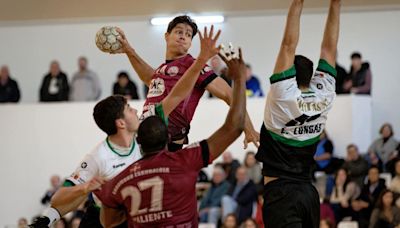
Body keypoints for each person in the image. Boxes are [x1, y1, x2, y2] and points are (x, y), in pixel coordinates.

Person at [29, 25, 222, 228]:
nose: (136, 111)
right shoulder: (98, 157)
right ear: (121, 123)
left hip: (131, 219)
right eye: (129, 109)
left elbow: (178, 93)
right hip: (98, 220)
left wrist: (200, 60)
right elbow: (61, 198)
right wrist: (83, 189)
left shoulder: (148, 136)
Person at [96, 46, 247, 227]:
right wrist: (238, 79)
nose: (135, 109)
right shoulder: (186, 160)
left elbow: (108, 222)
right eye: (129, 109)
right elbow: (234, 127)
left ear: (139, 142)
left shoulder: (122, 178)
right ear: (168, 136)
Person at [114, 15, 259, 151]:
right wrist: (129, 51)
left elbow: (230, 95)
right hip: (144, 137)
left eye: (188, 35)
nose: (183, 36)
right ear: (166, 36)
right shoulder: (163, 69)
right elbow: (150, 78)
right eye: (179, 32)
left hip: (167, 143)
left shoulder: (194, 65)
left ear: (190, 43)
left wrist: (249, 128)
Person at [254, 0, 341, 227]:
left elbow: (287, 45)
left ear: (290, 73)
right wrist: (336, 3)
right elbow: (329, 49)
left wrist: (297, 2)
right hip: (308, 195)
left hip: (281, 195)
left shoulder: (283, 94)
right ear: (312, 75)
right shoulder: (324, 94)